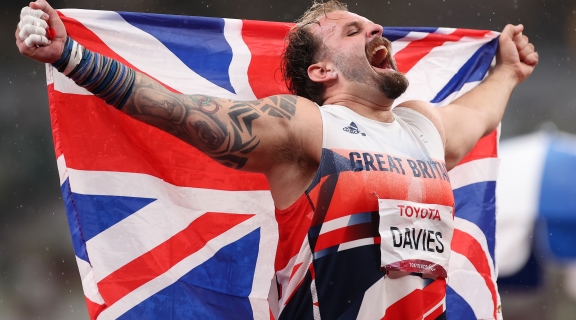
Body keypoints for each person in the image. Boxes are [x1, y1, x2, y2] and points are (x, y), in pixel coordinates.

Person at [16, 0, 537, 318]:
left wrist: (508, 72)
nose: (376, 31)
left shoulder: (424, 128)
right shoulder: (306, 125)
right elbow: (179, 111)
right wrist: (72, 57)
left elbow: (480, 114)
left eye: (372, 26)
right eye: (352, 31)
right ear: (320, 72)